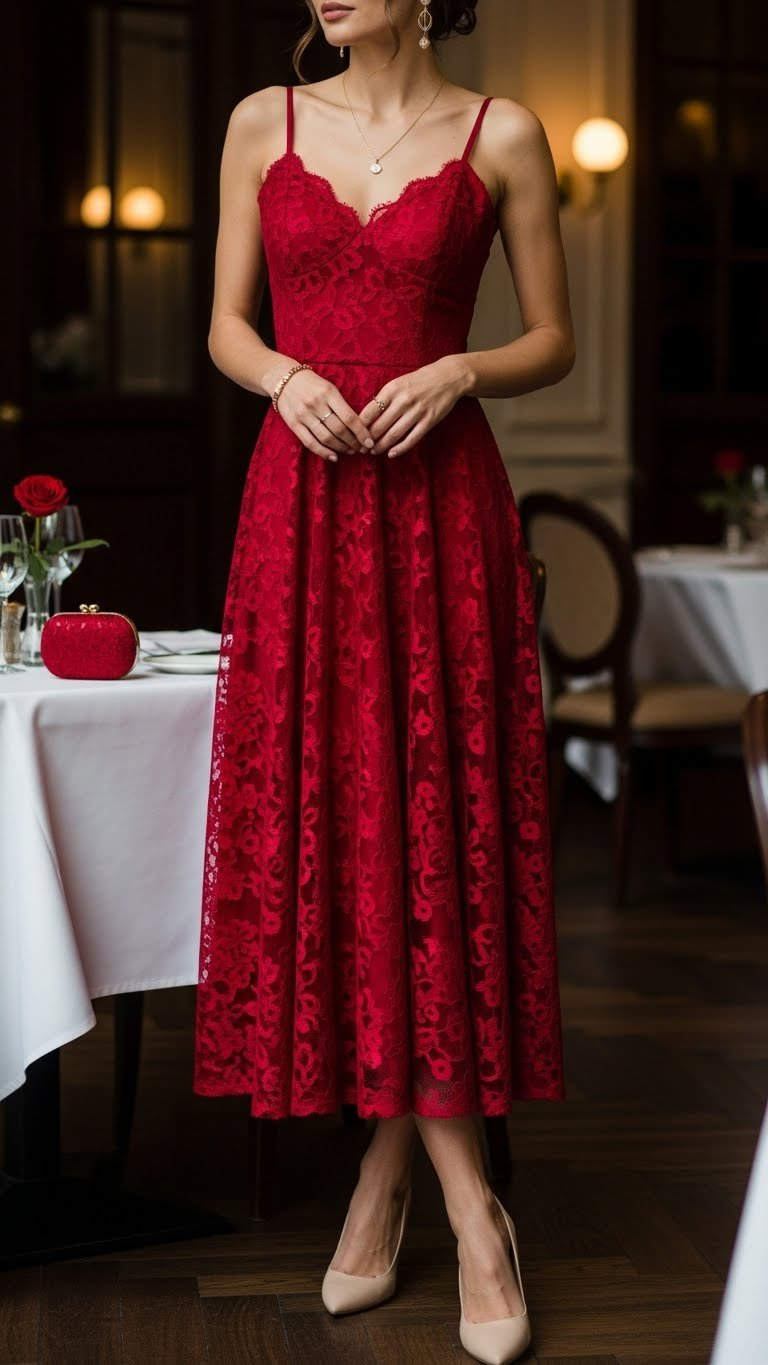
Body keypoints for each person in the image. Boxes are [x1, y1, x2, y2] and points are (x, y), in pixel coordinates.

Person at [194, 2, 574, 1360]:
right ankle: (450, 1192)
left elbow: (555, 341)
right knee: (345, 835)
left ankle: (403, 1181)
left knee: (437, 833)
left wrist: (464, 368)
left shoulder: (505, 132)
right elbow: (228, 325)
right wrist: (282, 373)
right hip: (299, 512)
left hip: (440, 520)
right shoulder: (261, 123)